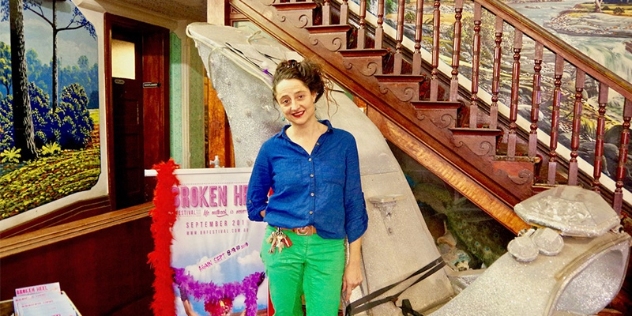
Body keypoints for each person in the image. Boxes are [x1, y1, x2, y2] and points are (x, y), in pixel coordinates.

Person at [247, 58, 369, 316]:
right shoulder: (271, 149)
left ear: (314, 93)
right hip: (282, 246)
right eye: (285, 100)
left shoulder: (344, 144)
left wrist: (354, 261)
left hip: (328, 248)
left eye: (300, 96)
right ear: (279, 105)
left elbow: (354, 205)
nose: (294, 106)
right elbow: (254, 203)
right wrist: (282, 218)